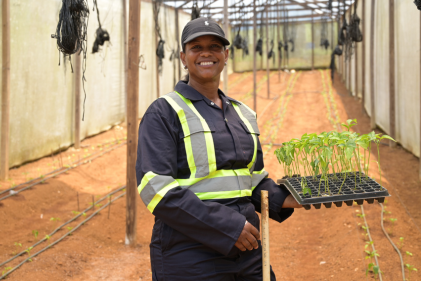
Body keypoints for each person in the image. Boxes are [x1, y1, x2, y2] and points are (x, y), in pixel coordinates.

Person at [136, 17, 302, 281]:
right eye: (196, 47)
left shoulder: (243, 113)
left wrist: (290, 197)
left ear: (225, 55)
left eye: (214, 46)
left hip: (248, 250)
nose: (206, 53)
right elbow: (156, 188)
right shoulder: (164, 112)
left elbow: (253, 180)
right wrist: (228, 227)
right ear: (183, 56)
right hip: (189, 253)